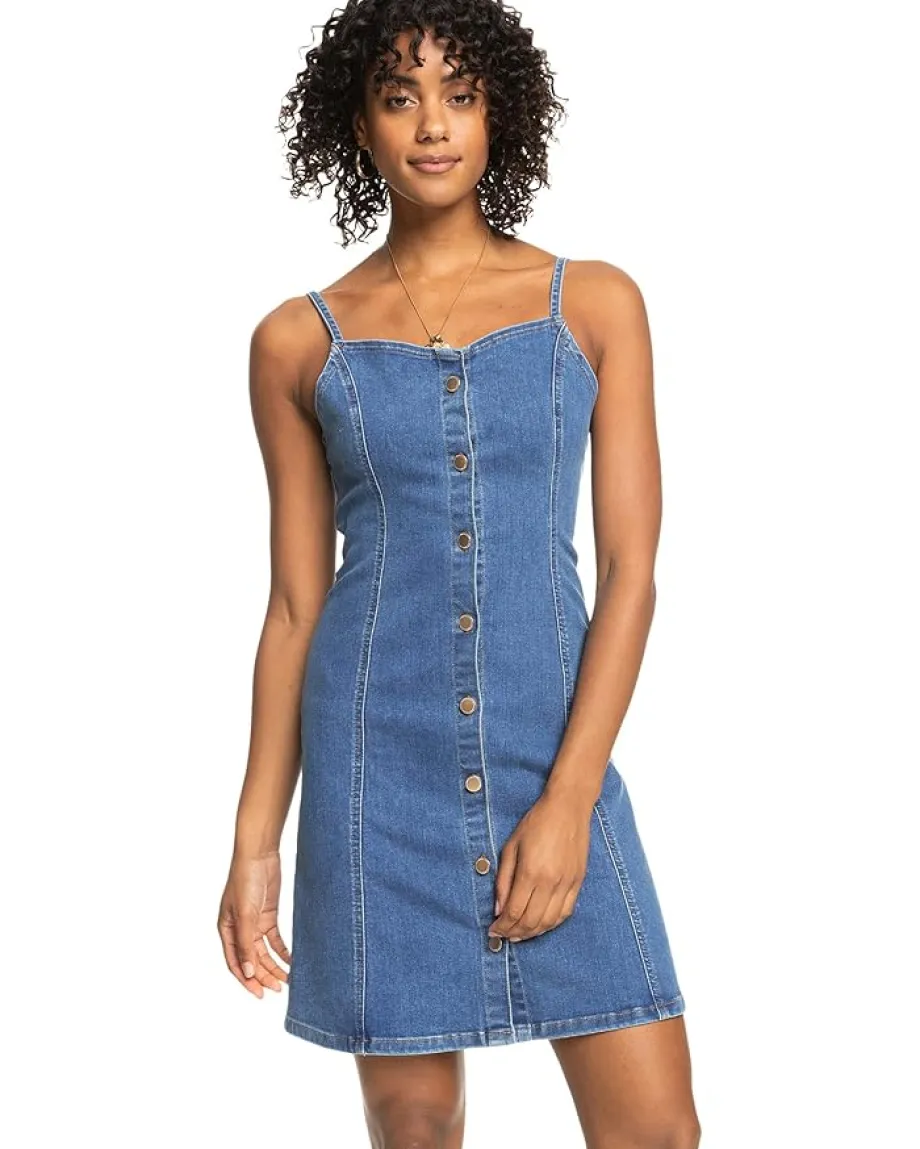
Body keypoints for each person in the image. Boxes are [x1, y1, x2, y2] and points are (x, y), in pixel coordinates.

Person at [217, 2, 701, 1145]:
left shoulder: (594, 305)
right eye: (399, 98)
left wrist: (570, 799)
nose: (432, 124)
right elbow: (293, 608)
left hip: (551, 755)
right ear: (359, 125)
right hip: (375, 773)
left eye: (460, 95)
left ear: (499, 113)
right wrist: (254, 843)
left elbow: (630, 571)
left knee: (656, 1131)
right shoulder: (296, 342)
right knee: (418, 1127)